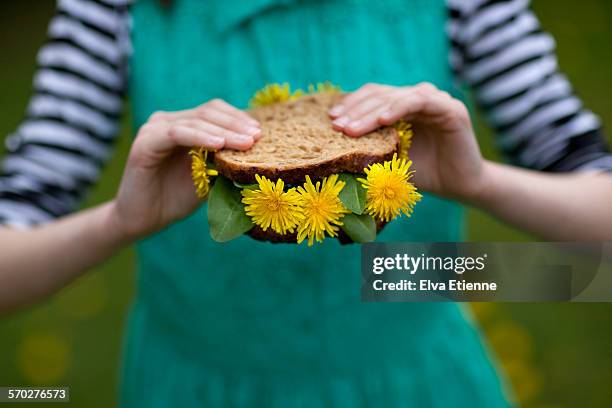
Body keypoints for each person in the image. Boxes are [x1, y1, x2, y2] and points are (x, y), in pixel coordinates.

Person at [1, 0, 611, 405]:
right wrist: (117, 224)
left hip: (423, 380)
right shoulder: (111, 11)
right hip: (190, 387)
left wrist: (478, 188)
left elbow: (597, 249)